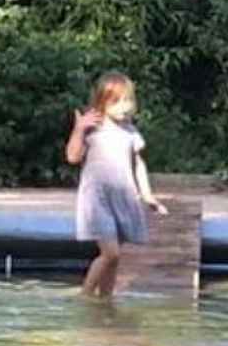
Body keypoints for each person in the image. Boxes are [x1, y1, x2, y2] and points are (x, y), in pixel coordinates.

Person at [66, 72, 167, 298]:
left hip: (123, 197)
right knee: (110, 253)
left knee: (115, 257)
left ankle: (106, 298)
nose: (125, 107)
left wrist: (147, 195)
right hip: (97, 198)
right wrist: (79, 129)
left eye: (128, 100)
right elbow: (72, 157)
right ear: (102, 102)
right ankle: (85, 297)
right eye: (117, 101)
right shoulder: (93, 127)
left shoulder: (130, 131)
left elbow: (138, 163)